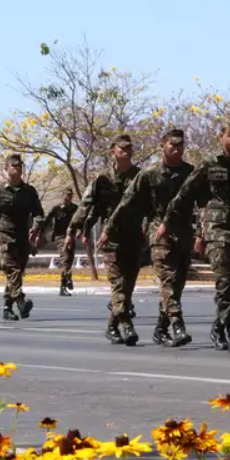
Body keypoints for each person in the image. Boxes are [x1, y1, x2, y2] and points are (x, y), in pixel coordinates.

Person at [163, 121, 230, 354]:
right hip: (216, 231)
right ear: (222, 137)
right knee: (225, 282)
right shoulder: (209, 165)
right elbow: (185, 194)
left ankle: (218, 327)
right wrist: (168, 221)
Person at [110, 128, 195, 346]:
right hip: (158, 232)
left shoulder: (191, 172)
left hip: (184, 233)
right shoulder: (149, 174)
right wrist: (108, 229)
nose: (176, 150)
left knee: (177, 285)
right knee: (167, 280)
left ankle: (160, 328)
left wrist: (202, 233)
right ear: (162, 146)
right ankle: (177, 324)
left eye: (180, 146)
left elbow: (201, 203)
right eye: (172, 145)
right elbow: (126, 203)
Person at [72, 135, 142, 343]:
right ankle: (127, 325)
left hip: (134, 238)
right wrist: (75, 228)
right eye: (122, 149)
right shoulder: (102, 179)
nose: (127, 152)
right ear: (113, 152)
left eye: (129, 148)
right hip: (110, 240)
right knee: (118, 285)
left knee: (127, 288)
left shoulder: (140, 177)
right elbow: (87, 205)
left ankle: (111, 327)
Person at [0, 154, 45, 322]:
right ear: (6, 169)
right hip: (4, 236)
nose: (17, 168)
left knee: (16, 274)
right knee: (12, 270)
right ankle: (21, 301)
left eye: (19, 165)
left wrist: (36, 227)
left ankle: (8, 308)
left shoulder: (29, 191)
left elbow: (38, 213)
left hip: (23, 237)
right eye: (13, 165)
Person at [43, 188, 78, 296]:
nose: (68, 197)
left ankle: (62, 288)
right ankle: (68, 279)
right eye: (66, 195)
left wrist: (81, 232)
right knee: (65, 258)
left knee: (69, 261)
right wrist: (39, 233)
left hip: (71, 237)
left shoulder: (75, 208)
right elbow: (47, 221)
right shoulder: (56, 208)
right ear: (62, 195)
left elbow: (81, 220)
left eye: (70, 195)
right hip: (60, 237)